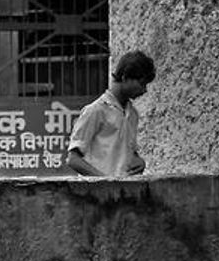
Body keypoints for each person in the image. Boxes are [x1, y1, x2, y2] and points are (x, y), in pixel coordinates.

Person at [66, 50, 155, 178]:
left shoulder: (132, 114)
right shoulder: (96, 110)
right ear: (125, 77)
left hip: (124, 192)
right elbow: (73, 159)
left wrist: (139, 162)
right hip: (95, 193)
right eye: (141, 83)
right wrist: (104, 181)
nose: (144, 90)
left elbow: (127, 153)